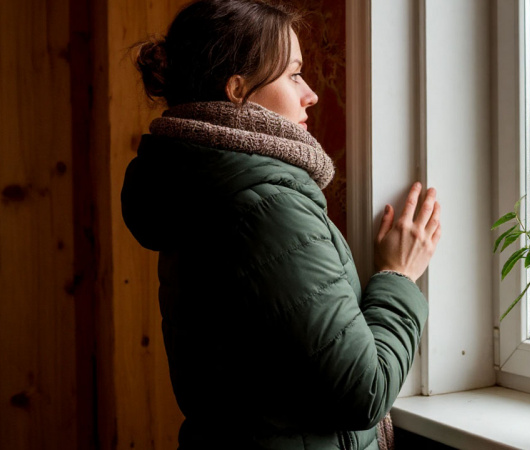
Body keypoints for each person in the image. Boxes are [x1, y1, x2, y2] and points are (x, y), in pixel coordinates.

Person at [120, 1, 441, 449]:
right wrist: (399, 276)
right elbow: (364, 393)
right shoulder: (263, 208)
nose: (310, 93)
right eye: (293, 74)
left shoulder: (207, 189)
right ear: (238, 90)